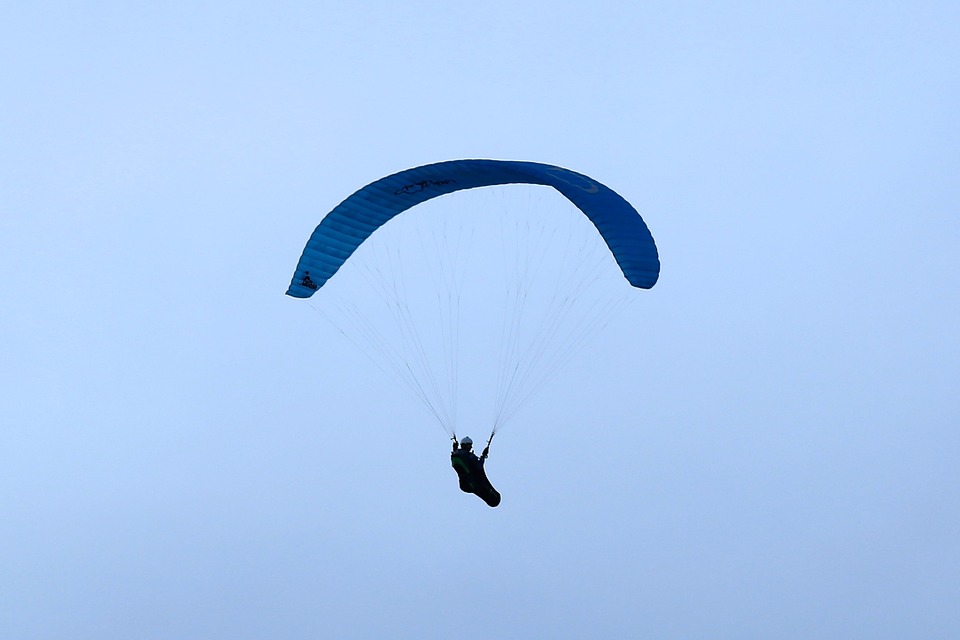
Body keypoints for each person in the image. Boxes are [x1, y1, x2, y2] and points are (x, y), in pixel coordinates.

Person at [451, 436, 500, 507]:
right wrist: (483, 457)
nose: (471, 447)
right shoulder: (470, 456)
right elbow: (479, 467)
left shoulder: (456, 454)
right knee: (483, 489)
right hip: (472, 483)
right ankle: (493, 498)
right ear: (465, 445)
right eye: (469, 445)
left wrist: (454, 448)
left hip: (463, 485)